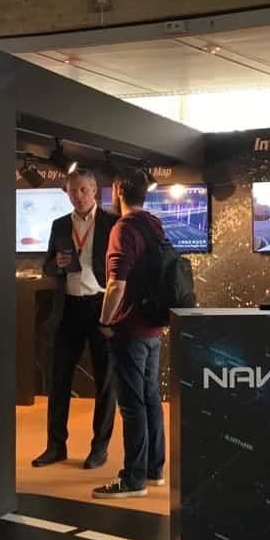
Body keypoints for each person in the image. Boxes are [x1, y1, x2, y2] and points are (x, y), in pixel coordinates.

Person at [34, 169, 118, 470]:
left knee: (105, 381)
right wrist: (56, 265)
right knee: (59, 379)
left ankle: (100, 448)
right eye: (73, 191)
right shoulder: (59, 224)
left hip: (101, 306)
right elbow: (46, 266)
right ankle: (56, 446)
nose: (78, 196)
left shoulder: (112, 223)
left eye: (83, 190)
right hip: (68, 308)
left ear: (94, 190)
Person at [93, 169, 166, 500]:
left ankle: (134, 479)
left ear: (119, 190)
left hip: (131, 328)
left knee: (132, 404)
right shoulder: (153, 224)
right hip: (153, 327)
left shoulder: (123, 228)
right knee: (150, 398)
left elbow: (116, 284)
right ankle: (154, 468)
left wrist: (105, 320)